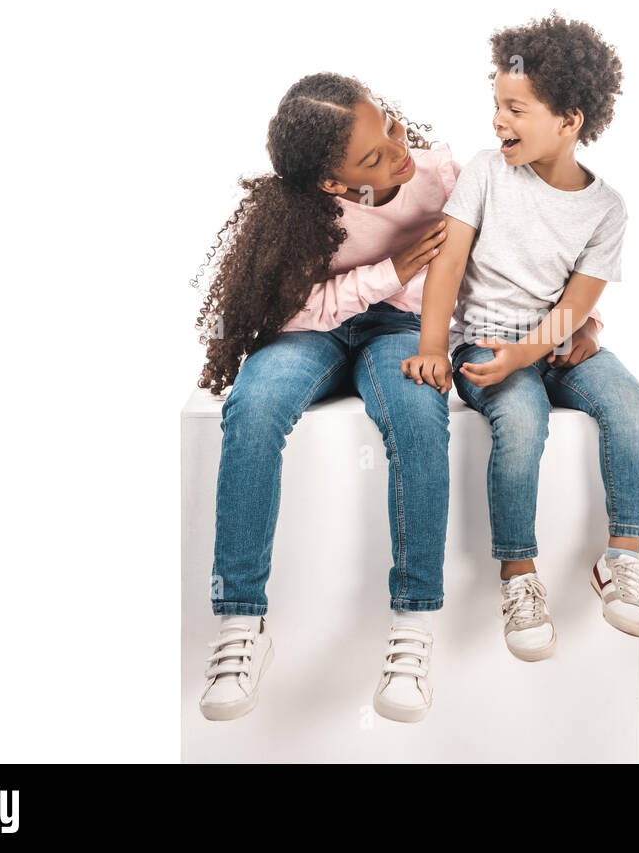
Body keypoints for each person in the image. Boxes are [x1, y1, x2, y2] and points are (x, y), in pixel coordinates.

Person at [192, 72, 456, 722]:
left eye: (391, 127)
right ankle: (240, 624)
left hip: (399, 327)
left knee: (419, 408)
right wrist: (387, 273)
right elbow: (288, 310)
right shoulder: (297, 213)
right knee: (253, 406)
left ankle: (414, 624)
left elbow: (506, 258)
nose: (398, 152)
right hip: (310, 329)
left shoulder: (442, 176)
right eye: (372, 157)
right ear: (333, 183)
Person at [403, 14, 639, 662]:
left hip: (557, 343)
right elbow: (449, 264)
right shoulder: (487, 173)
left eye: (515, 107)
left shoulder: (607, 208)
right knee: (521, 417)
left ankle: (621, 558)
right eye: (495, 105)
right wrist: (435, 346)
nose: (498, 120)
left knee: (630, 405)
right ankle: (518, 574)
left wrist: (546, 346)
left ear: (570, 119)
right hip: (488, 341)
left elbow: (577, 301)